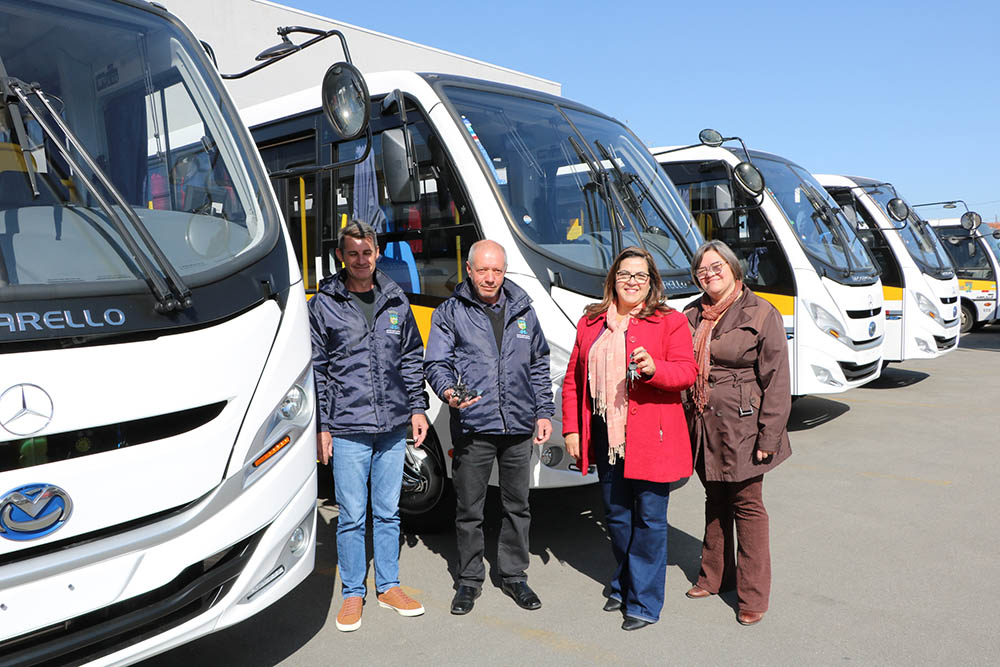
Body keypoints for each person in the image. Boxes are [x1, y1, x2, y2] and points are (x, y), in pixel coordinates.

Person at [561, 246, 698, 631]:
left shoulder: (669, 322)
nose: (632, 282)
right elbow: (573, 382)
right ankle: (624, 582)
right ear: (613, 280)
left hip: (652, 436)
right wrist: (571, 428)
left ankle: (644, 601)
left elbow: (687, 372)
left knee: (650, 520)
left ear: (651, 282)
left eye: (640, 276)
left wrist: (656, 369)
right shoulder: (591, 322)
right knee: (617, 516)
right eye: (625, 275)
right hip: (607, 436)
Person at [309, 220, 429, 633]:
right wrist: (322, 427)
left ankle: (389, 586)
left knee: (388, 512)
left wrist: (417, 408)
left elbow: (412, 357)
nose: (361, 260)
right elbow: (318, 370)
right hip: (347, 426)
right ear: (341, 256)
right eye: (353, 253)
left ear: (378, 254)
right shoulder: (324, 304)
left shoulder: (395, 300)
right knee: (352, 515)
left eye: (368, 252)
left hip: (394, 423)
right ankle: (353, 593)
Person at [424, 240, 554, 615]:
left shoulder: (524, 310)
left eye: (497, 270)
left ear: (504, 271)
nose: (490, 277)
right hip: (473, 425)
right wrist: (449, 392)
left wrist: (543, 412)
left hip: (517, 425)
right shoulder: (450, 312)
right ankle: (469, 580)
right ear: (468, 269)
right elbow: (436, 362)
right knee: (469, 509)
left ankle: (515, 576)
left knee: (518, 506)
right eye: (483, 270)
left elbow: (539, 363)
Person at [682, 239, 792, 627]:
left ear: (733, 269)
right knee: (715, 498)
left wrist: (769, 437)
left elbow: (777, 380)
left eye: (716, 267)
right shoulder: (692, 312)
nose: (709, 275)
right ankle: (716, 577)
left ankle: (753, 595)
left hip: (744, 424)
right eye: (702, 270)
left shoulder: (761, 312)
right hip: (703, 421)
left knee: (747, 505)